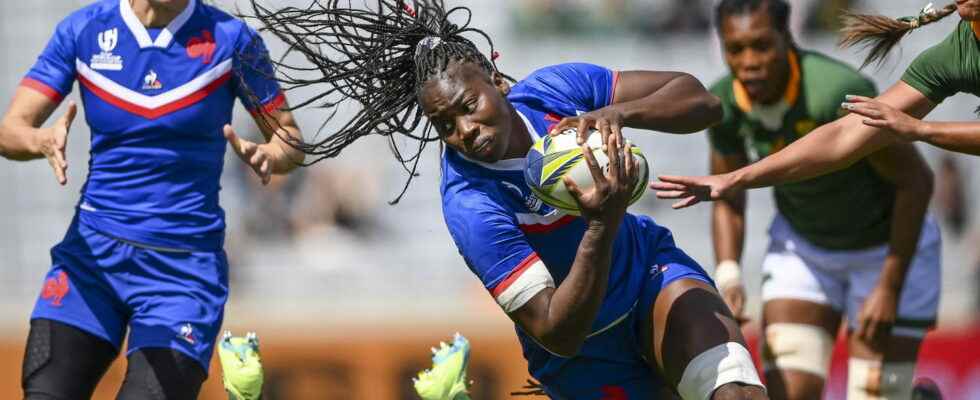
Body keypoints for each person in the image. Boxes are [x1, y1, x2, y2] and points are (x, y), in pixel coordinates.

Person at [246, 1, 767, 398]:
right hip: (583, 356)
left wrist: (624, 115)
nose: (465, 130)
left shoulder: (553, 90)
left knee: (734, 385)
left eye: (469, 106)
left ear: (495, 80)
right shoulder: (470, 202)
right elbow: (556, 331)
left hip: (651, 280)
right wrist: (599, 227)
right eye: (444, 125)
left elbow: (704, 102)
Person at [0, 0, 303, 398]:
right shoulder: (84, 30)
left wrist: (272, 155)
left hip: (181, 274)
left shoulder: (232, 41)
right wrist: (38, 140)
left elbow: (289, 137)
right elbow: (10, 131)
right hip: (91, 261)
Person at [703, 1, 940, 399]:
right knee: (788, 394)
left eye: (761, 46)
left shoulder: (835, 93)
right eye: (735, 49)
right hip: (805, 249)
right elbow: (727, 192)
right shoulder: (724, 103)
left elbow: (915, 182)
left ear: (786, 38)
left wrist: (888, 287)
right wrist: (728, 273)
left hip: (887, 250)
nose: (748, 62)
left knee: (877, 393)